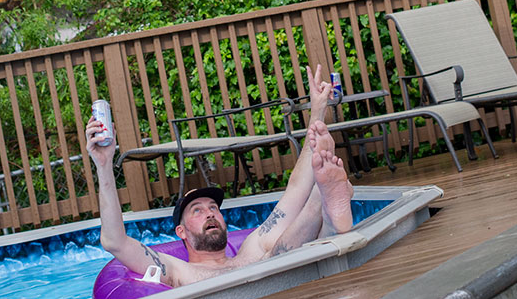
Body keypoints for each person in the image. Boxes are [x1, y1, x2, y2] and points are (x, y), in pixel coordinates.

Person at [83, 65, 355, 287]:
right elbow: (114, 241)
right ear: (181, 232)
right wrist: (104, 165)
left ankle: (324, 199)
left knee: (284, 243)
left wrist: (317, 112)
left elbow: (294, 191)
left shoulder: (254, 246)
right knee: (281, 250)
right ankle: (324, 202)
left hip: (278, 279)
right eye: (197, 210)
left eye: (214, 208)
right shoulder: (178, 271)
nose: (210, 212)